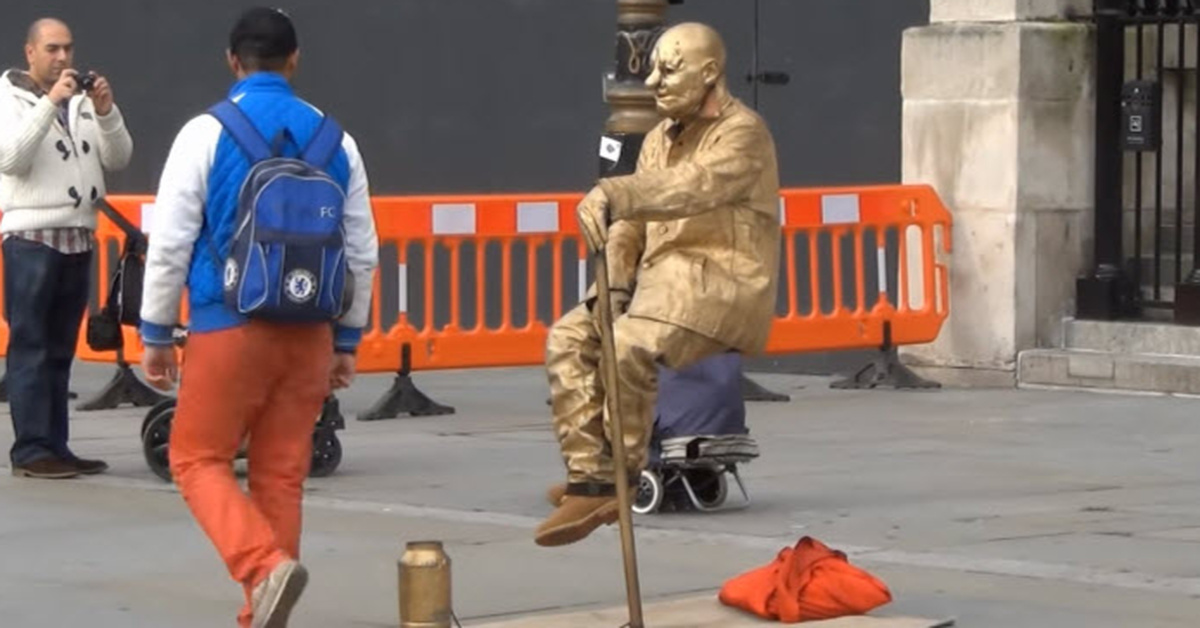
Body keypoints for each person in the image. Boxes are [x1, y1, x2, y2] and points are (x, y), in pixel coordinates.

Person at [138, 8, 378, 627]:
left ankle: (260, 568)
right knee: (281, 475)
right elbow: (362, 249)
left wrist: (157, 333)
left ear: (231, 60)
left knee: (196, 459)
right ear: (294, 61)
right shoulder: (338, 140)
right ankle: (264, 612)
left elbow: (168, 241)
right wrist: (347, 340)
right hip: (310, 334)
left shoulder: (205, 133)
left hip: (228, 326)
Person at [537, 22, 781, 547]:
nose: (654, 82)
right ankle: (590, 477)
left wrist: (614, 194)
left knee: (627, 345)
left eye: (669, 70)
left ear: (710, 73)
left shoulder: (744, 133)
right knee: (570, 337)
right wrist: (611, 291)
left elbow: (691, 187)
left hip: (718, 283)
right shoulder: (656, 138)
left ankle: (619, 477)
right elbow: (632, 227)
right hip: (658, 286)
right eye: (653, 70)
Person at [0, 18, 132, 479]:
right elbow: (10, 159)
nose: (62, 59)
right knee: (31, 346)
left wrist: (106, 112)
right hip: (32, 240)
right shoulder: (8, 100)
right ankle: (31, 450)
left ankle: (56, 445)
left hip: (78, 236)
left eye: (68, 49)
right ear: (30, 52)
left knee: (59, 350)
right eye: (52, 49)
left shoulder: (78, 102)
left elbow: (118, 158)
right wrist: (48, 104)